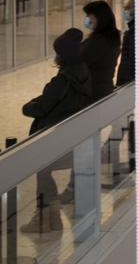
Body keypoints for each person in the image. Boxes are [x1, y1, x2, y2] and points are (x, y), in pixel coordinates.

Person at [20, 28, 93, 233]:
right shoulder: (83, 72)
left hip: (54, 135)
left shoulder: (62, 80)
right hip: (70, 134)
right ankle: (51, 217)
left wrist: (27, 106)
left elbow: (42, 106)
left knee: (42, 170)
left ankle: (44, 217)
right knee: (43, 172)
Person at [80, 0, 121, 101]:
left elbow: (79, 61)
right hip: (104, 89)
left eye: (89, 15)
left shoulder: (98, 42)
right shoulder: (112, 37)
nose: (87, 19)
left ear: (99, 18)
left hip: (92, 93)